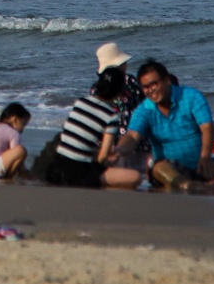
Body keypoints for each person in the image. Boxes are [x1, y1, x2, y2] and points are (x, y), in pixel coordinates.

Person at [130, 60, 214, 191]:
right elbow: (132, 136)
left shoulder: (191, 96)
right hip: (170, 168)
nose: (150, 90)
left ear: (166, 80)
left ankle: (210, 187)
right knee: (159, 168)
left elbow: (207, 127)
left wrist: (205, 157)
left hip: (201, 164)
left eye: (154, 84)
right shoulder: (144, 110)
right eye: (145, 87)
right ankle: (186, 185)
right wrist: (118, 151)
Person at [36, 47, 142, 189]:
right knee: (135, 177)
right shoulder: (111, 115)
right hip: (80, 173)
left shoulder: (80, 102)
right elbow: (103, 156)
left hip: (57, 167)